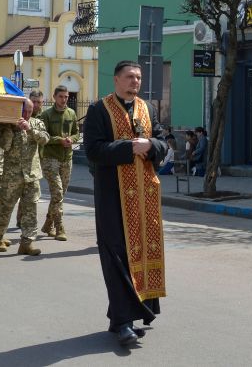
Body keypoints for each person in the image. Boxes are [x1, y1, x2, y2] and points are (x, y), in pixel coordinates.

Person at [83, 60, 169, 346]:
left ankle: (131, 312)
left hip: (144, 196)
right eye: (130, 77)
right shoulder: (99, 109)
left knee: (142, 252)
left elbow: (163, 141)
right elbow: (93, 150)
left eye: (139, 77)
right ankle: (122, 321)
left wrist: (152, 146)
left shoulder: (147, 108)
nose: (136, 81)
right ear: (116, 79)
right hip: (112, 196)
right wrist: (130, 147)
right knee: (117, 256)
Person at [0, 99, 48, 255]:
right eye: (24, 112)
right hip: (12, 176)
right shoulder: (8, 126)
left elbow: (45, 139)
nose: (27, 115)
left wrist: (30, 130)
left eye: (30, 111)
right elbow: (4, 146)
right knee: (5, 208)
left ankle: (27, 243)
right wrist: (11, 128)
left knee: (31, 210)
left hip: (32, 174)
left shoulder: (36, 123)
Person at [38, 85, 80, 241]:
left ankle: (48, 224)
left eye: (67, 97)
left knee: (60, 195)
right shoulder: (46, 115)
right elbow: (43, 136)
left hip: (67, 158)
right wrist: (59, 140)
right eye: (61, 96)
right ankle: (59, 227)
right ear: (54, 97)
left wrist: (72, 139)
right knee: (57, 193)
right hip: (51, 158)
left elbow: (76, 132)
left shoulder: (72, 113)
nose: (64, 99)